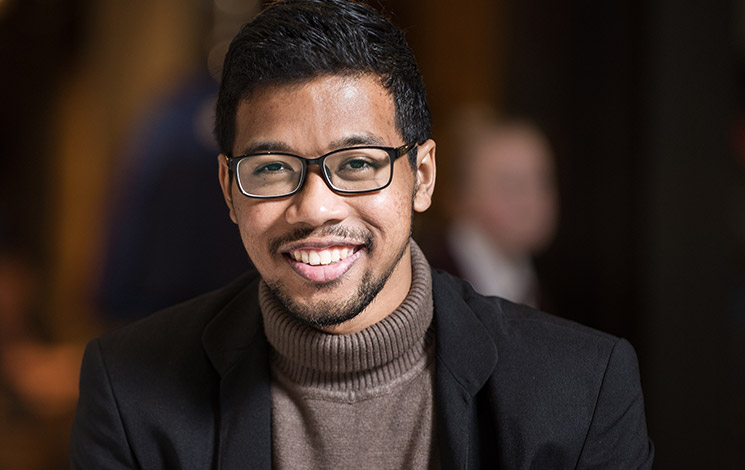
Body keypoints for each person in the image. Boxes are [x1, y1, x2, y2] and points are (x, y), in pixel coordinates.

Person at [70, 0, 654, 468]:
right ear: (229, 189)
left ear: (421, 177)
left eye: (357, 164)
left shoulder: (582, 389)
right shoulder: (130, 392)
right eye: (272, 168)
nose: (315, 207)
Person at [424, 113, 558, 309]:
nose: (532, 201)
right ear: (462, 197)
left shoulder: (534, 280)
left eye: (542, 181)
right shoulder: (433, 285)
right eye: (510, 185)